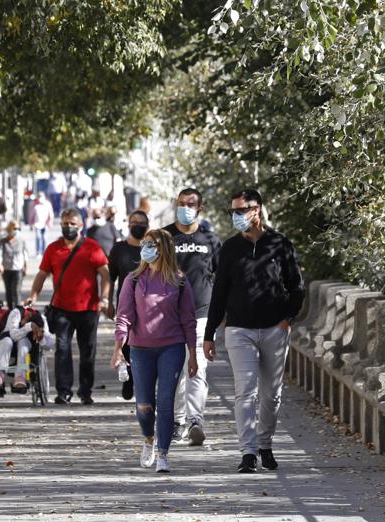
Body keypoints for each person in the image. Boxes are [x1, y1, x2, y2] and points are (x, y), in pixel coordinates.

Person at [203, 189, 305, 474]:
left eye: (241, 210)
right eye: (232, 211)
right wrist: (209, 334)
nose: (236, 216)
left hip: (274, 330)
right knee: (244, 392)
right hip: (239, 331)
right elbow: (219, 292)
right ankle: (247, 452)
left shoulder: (280, 244)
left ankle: (265, 444)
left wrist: (287, 319)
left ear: (257, 209)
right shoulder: (230, 248)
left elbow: (296, 286)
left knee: (271, 395)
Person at [111, 229, 198, 474]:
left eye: (152, 244)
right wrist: (118, 349)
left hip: (172, 347)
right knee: (144, 406)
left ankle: (163, 454)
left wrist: (192, 354)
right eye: (145, 243)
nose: (146, 248)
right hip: (140, 349)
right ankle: (148, 439)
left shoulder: (179, 281)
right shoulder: (134, 280)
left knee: (166, 402)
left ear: (164, 249)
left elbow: (188, 320)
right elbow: (124, 316)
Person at [28, 209, 111, 405]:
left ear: (81, 225)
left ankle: (85, 391)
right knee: (62, 349)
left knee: (87, 352)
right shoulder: (53, 249)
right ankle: (63, 392)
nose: (69, 227)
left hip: (88, 309)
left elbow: (105, 275)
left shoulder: (92, 247)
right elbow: (41, 275)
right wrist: (32, 296)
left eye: (73, 223)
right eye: (65, 223)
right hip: (61, 309)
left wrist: (105, 298)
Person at [161, 188, 221, 446]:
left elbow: (223, 278)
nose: (185, 208)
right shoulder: (164, 237)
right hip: (168, 316)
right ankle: (177, 422)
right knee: (174, 371)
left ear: (200, 208)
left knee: (198, 369)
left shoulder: (210, 240)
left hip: (201, 315)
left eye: (190, 204)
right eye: (181, 203)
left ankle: (196, 420)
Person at [106, 210, 150, 400]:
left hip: (150, 303)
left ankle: (143, 379)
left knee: (145, 341)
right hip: (126, 302)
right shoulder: (119, 249)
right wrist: (107, 301)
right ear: (128, 224)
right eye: (134, 222)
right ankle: (128, 380)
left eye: (141, 222)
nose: (137, 225)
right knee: (125, 340)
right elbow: (110, 277)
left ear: (147, 225)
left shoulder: (151, 248)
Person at [0, 304, 54, 391]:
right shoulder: (16, 313)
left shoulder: (42, 319)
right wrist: (29, 327)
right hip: (7, 337)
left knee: (23, 344)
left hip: (25, 344)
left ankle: (20, 375)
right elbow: (13, 335)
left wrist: (41, 337)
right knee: (8, 342)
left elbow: (50, 345)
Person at [0, 221, 28, 308]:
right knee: (8, 291)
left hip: (18, 269)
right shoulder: (3, 241)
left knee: (16, 291)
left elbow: (25, 254)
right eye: (15, 228)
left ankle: (18, 311)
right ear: (9, 229)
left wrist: (26, 267)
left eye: (18, 229)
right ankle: (10, 310)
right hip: (7, 269)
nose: (16, 230)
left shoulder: (21, 240)